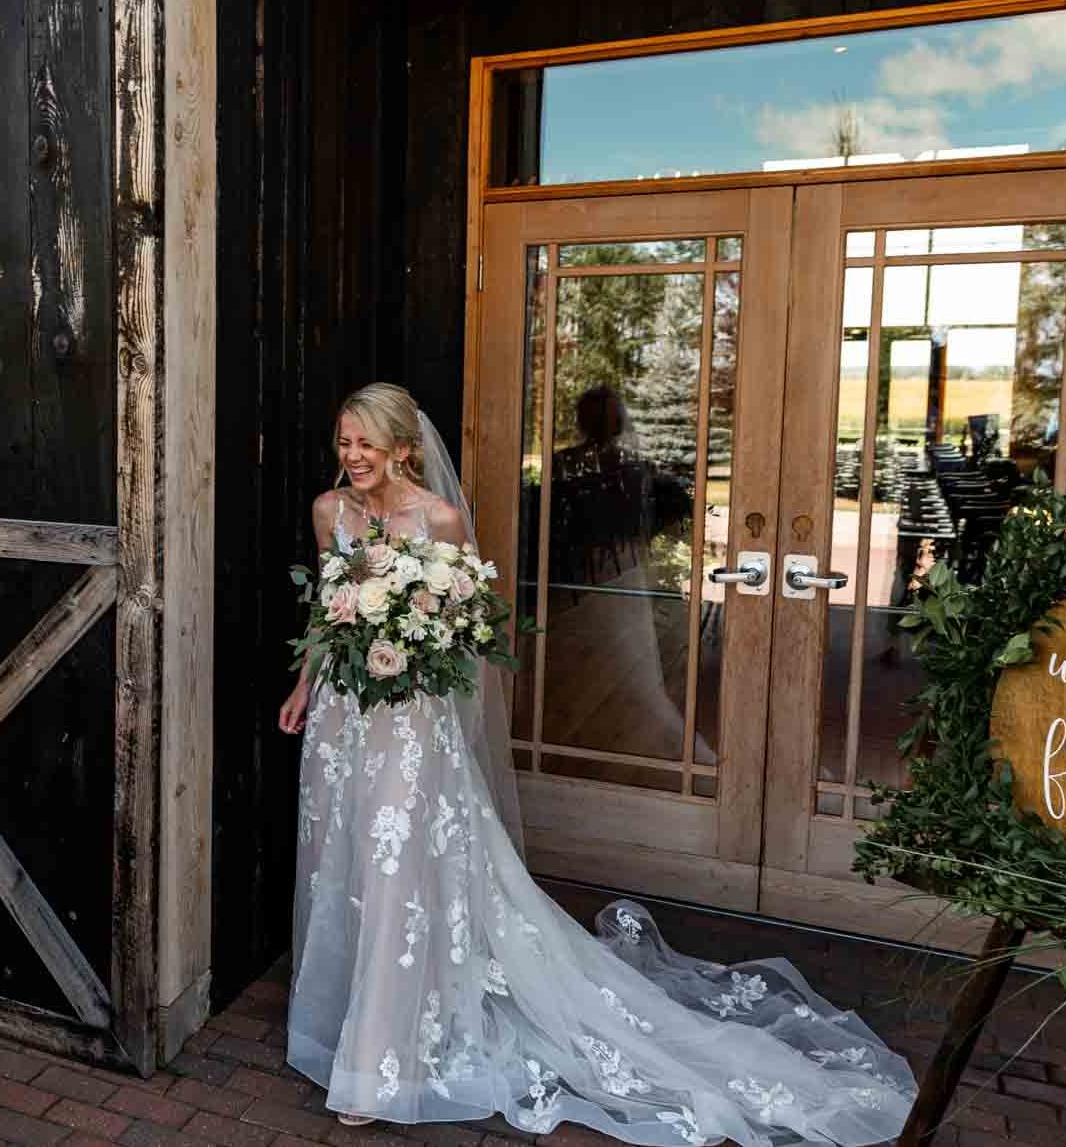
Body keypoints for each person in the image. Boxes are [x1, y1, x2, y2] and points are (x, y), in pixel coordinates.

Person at [275, 383, 914, 1145]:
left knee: (399, 873)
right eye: (343, 444)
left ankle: (380, 1060)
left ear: (404, 449)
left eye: (365, 447)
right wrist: (305, 683)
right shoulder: (328, 511)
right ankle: (350, 1008)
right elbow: (327, 605)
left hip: (413, 724)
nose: (351, 460)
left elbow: (468, 627)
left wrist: (416, 647)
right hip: (346, 721)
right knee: (346, 863)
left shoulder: (439, 519)